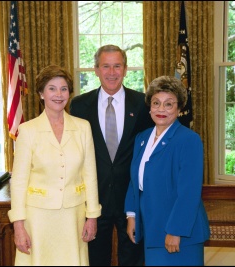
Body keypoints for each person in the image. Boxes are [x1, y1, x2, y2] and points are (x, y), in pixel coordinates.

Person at [8, 65, 102, 266]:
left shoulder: (83, 127)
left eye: (64, 89)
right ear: (41, 93)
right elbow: (18, 182)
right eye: (52, 88)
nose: (58, 94)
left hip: (73, 217)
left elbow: (90, 175)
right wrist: (18, 226)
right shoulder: (27, 130)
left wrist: (92, 216)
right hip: (37, 218)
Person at [70, 44, 154, 266]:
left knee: (133, 257)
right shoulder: (79, 106)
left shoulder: (143, 104)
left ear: (125, 69)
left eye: (117, 66)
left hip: (132, 198)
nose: (112, 72)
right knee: (96, 258)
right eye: (105, 66)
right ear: (96, 69)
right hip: (93, 199)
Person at [124, 76, 210, 266]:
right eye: (156, 103)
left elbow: (189, 191)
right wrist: (132, 216)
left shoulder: (189, 140)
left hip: (180, 232)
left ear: (179, 109)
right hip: (152, 226)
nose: (161, 109)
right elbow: (134, 179)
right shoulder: (142, 138)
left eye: (168, 104)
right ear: (149, 107)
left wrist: (176, 230)